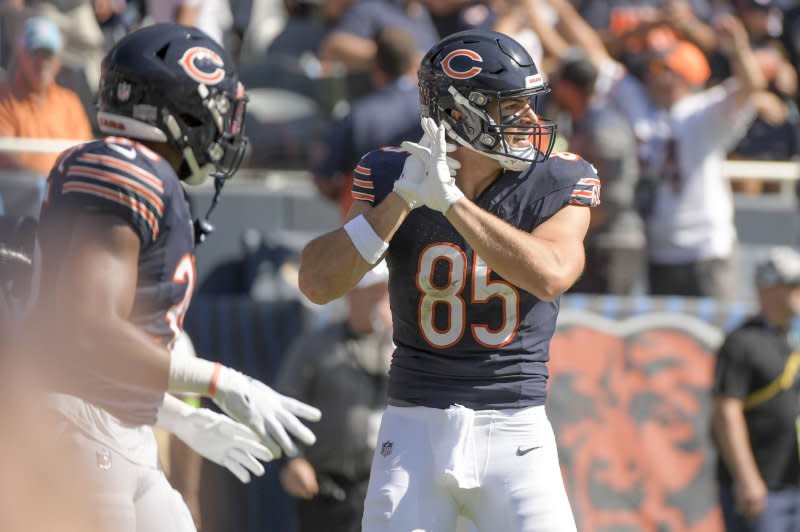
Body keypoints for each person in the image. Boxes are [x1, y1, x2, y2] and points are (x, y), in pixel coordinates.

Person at [23, 23, 320, 531]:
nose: (226, 125)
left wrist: (176, 416)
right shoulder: (127, 170)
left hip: (111, 427)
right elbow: (88, 328)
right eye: (219, 108)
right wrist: (218, 381)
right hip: (77, 433)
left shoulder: (139, 172)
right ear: (180, 109)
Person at [299, 29, 600, 531]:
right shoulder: (395, 172)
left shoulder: (558, 180)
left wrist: (452, 204)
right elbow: (317, 282)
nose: (529, 120)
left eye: (528, 105)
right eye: (510, 109)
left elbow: (551, 274)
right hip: (415, 423)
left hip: (516, 428)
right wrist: (402, 200)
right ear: (459, 115)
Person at [547, 0, 765, 300]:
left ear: (685, 75)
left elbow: (751, 86)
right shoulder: (642, 105)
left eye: (663, 67)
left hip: (706, 247)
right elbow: (596, 56)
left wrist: (738, 48)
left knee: (711, 337)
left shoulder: (704, 112)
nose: (652, 73)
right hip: (658, 250)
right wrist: (561, 10)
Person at [277, 261, 392, 532]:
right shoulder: (316, 347)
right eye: (371, 291)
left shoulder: (402, 348)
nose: (380, 298)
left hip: (385, 488)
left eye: (384, 291)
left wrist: (394, 341)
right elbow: (284, 407)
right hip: (329, 494)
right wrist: (291, 459)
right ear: (351, 293)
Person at [711, 246, 800, 532]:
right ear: (767, 288)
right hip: (762, 490)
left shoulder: (790, 341)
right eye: (791, 285)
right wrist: (747, 479)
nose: (797, 291)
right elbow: (726, 414)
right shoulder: (742, 342)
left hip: (792, 484)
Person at [551, 49, 645, 295]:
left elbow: (615, 197)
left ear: (568, 88)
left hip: (613, 245)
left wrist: (565, 227)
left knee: (605, 331)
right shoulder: (580, 122)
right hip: (592, 242)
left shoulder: (604, 128)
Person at [312, 26, 424, 216]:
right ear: (413, 64)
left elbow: (322, 178)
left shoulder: (358, 114)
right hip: (422, 226)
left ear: (376, 68)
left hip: (366, 230)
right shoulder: (431, 113)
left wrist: (349, 195)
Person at [0, 16, 92, 176]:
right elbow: (7, 158)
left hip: (67, 194)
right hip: (21, 196)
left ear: (58, 60)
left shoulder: (70, 102)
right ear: (21, 56)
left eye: (48, 54)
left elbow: (85, 154)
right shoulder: (4, 100)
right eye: (35, 53)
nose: (42, 62)